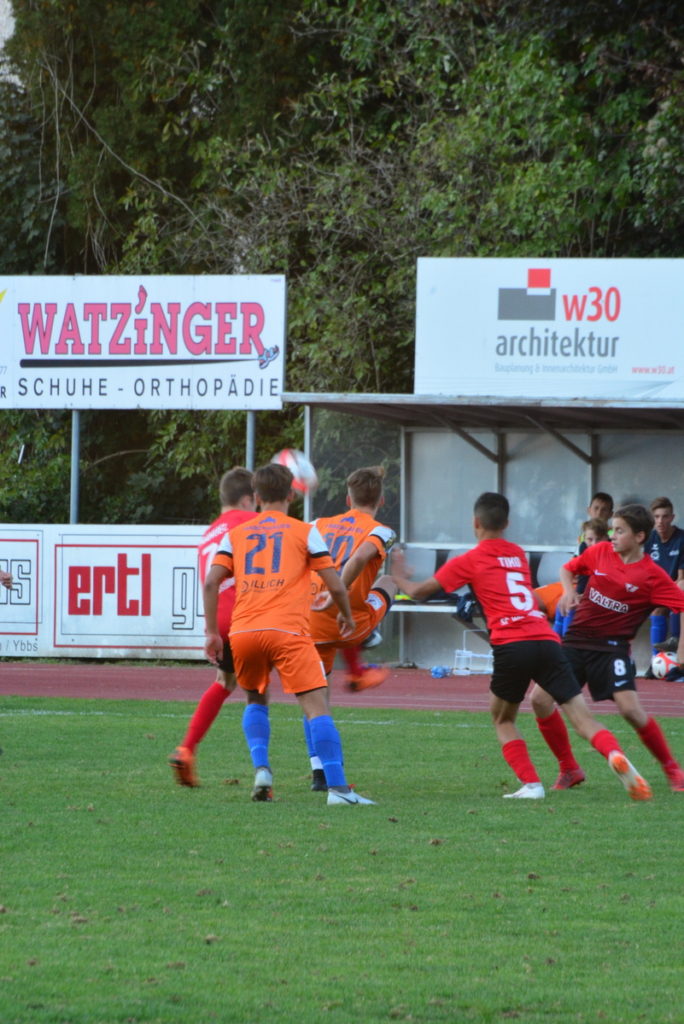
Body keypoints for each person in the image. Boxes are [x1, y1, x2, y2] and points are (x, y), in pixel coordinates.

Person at [391, 491, 651, 801]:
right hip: (546, 639)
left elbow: (419, 592)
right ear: (506, 523)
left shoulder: (470, 560)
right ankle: (613, 754)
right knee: (583, 719)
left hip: (512, 644)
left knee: (503, 719)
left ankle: (531, 784)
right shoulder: (516, 554)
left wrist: (398, 576)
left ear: (475, 523)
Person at [204, 462, 376, 806]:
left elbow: (211, 582)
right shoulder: (304, 531)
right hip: (288, 631)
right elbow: (335, 584)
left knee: (255, 700)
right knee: (316, 706)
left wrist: (212, 633)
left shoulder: (235, 534)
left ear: (256, 496)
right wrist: (346, 616)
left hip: (244, 631)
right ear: (291, 496)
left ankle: (262, 770)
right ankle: (339, 790)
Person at [530, 503, 684, 794]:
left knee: (630, 710)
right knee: (539, 699)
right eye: (613, 529)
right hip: (575, 643)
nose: (612, 535)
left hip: (612, 650)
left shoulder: (652, 576)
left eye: (620, 531)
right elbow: (567, 568)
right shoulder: (600, 552)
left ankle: (673, 770)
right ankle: (569, 768)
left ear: (639, 536)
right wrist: (568, 590)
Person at [305, 465, 398, 789]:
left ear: (348, 498)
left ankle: (319, 772)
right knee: (389, 581)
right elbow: (358, 558)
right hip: (348, 622)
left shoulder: (317, 524)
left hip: (310, 618)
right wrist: (338, 593)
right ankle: (367, 637)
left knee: (316, 696)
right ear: (381, 500)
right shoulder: (382, 531)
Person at [168, 467, 257, 787]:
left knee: (224, 681)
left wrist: (211, 631)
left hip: (218, 619)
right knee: (265, 690)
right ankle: (266, 773)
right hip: (247, 613)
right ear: (247, 500)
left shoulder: (209, 533)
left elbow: (210, 582)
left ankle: (186, 749)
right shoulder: (249, 521)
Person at [644, 496, 684, 662]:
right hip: (657, 590)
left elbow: (681, 576)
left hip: (676, 588)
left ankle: (676, 641)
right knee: (656, 609)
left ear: (672, 517)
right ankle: (656, 661)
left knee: (680, 588)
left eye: (665, 516)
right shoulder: (649, 539)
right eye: (657, 517)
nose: (660, 521)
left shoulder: (681, 538)